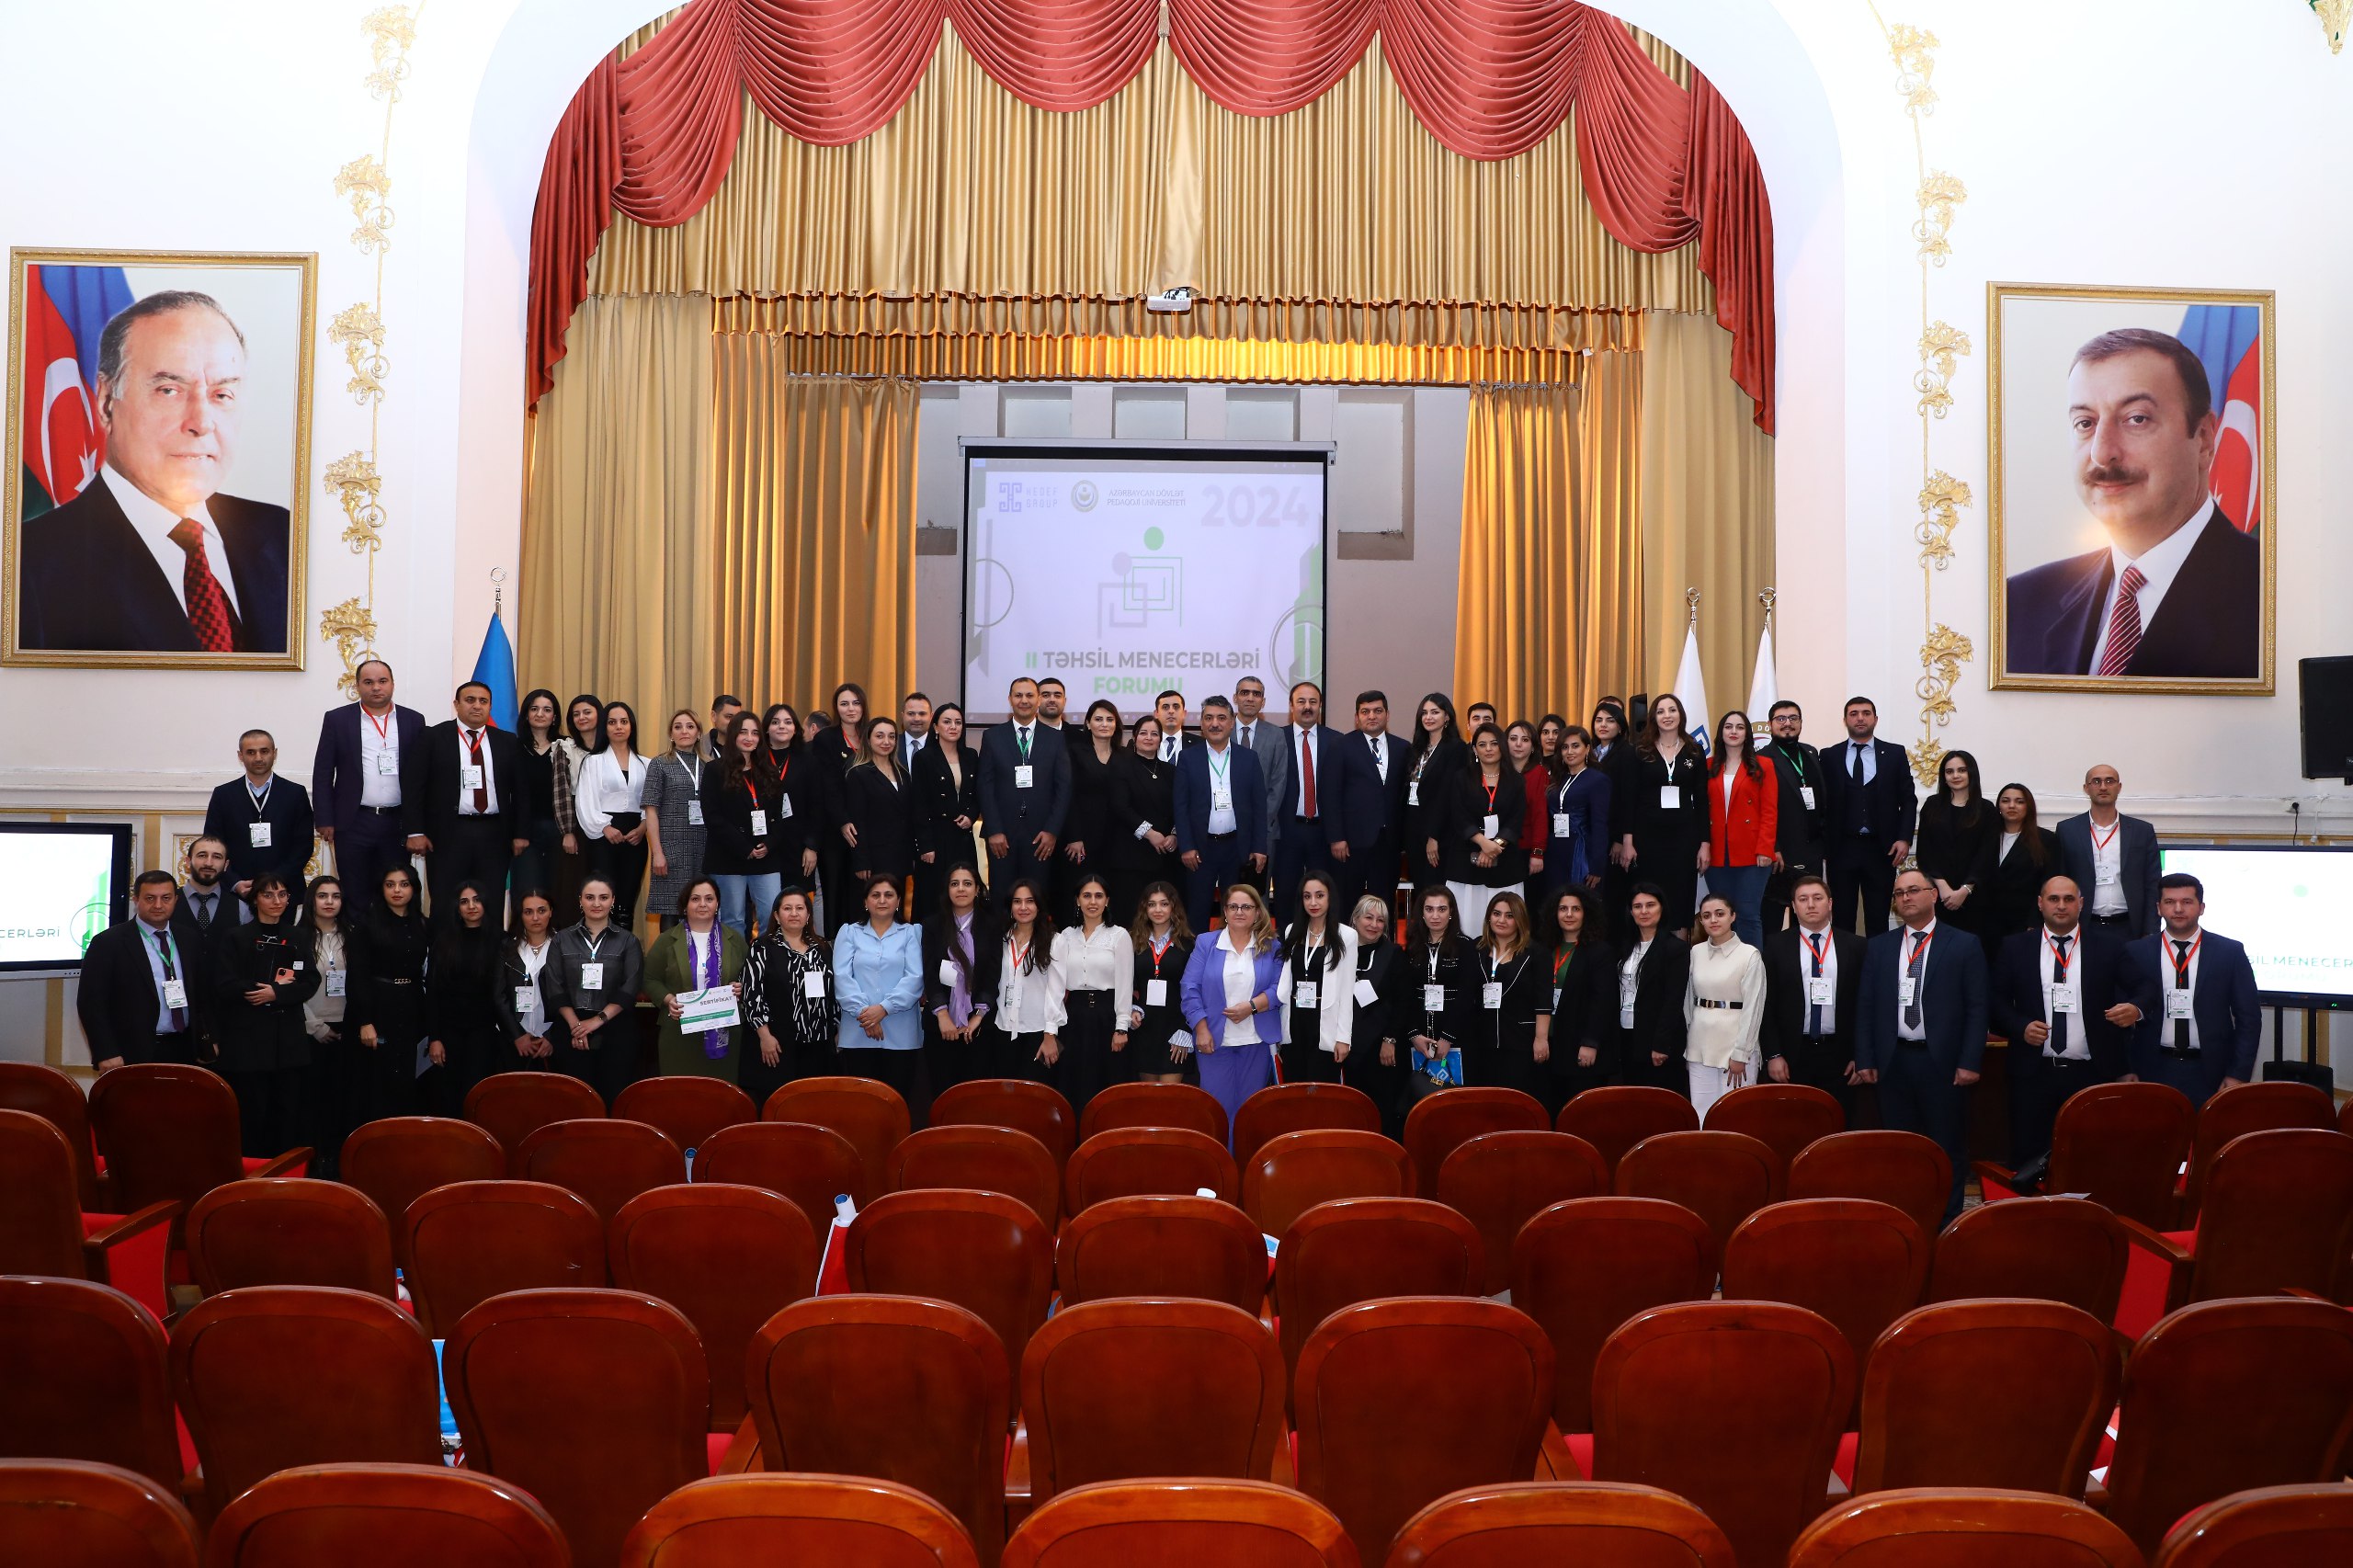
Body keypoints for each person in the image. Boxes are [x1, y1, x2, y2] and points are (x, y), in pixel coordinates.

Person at [19, 290, 290, 653]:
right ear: (106, 403)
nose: (201, 423)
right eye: (169, 390)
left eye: (222, 394)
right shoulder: (26, 567)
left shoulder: (284, 535)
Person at [2005, 327, 2261, 680]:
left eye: (2136, 419)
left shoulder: (2273, 595)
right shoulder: (2019, 604)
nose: (2102, 453)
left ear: (2203, 439)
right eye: (2085, 423)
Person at [1855, 868, 1990, 1222]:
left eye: (1913, 890)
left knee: (1947, 1148)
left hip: (1942, 1064)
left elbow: (1978, 1008)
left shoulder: (1964, 944)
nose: (1906, 898)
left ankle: (1948, 1223)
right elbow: (1866, 1006)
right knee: (1900, 1149)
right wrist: (1865, 1057)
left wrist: (1970, 1061)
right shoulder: (1879, 947)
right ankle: (1906, 1219)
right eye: (1899, 893)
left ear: (1933, 895)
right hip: (1893, 1062)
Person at [1991, 874, 2145, 1170]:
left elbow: (2145, 988)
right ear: (2040, 904)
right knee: (2028, 1160)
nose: (2061, 906)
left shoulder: (2108, 946)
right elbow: (1995, 1001)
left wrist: (2135, 1009)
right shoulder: (2015, 947)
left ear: (2081, 904)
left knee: (2090, 1159)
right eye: (2054, 899)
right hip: (2033, 1074)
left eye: (2068, 899)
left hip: (2091, 1072)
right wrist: (2020, 1027)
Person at [2123, 873, 2262, 1108]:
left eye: (2187, 902)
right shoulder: (2136, 952)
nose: (2178, 909)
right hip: (2151, 1070)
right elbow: (2119, 1018)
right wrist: (2125, 1068)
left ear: (2201, 908)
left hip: (2212, 1073)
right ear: (2158, 908)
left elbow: (2249, 1019)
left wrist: (2238, 1073)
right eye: (2170, 902)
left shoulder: (2230, 952)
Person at [210, 873, 318, 1154]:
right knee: (251, 1115)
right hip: (248, 1043)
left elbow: (310, 981)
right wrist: (259, 991)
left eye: (282, 895)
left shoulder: (298, 936)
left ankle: (284, 1171)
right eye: (268, 895)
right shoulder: (236, 936)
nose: (276, 901)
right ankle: (250, 1172)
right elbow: (224, 983)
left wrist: (277, 994)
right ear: (255, 899)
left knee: (287, 1115)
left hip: (288, 1043)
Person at [312, 658, 426, 915]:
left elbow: (421, 778)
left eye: (382, 681)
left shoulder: (413, 720)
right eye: (368, 682)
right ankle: (357, 941)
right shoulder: (338, 719)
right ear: (357, 686)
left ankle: (393, 941)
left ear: (392, 684)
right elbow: (323, 773)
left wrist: (417, 826)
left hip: (397, 822)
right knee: (355, 894)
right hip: (353, 822)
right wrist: (324, 819)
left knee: (394, 895)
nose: (376, 687)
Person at [404, 682, 529, 918]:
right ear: (457, 704)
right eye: (470, 700)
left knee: (490, 902)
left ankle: (489, 944)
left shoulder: (507, 741)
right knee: (445, 902)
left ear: (490, 707)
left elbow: (521, 791)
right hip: (448, 834)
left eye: (483, 701)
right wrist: (415, 830)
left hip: (494, 834)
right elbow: (414, 787)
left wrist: (521, 833)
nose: (477, 706)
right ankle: (443, 944)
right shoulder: (433, 737)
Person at [78, 869, 213, 1069]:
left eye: (166, 898)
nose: (158, 905)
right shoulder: (108, 943)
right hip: (132, 1052)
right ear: (136, 900)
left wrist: (208, 1040)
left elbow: (202, 995)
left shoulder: (189, 939)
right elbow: (91, 1004)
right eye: (150, 898)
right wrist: (106, 1052)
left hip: (185, 1048)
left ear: (176, 900)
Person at [1181, 882, 1283, 1140]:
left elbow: (1279, 988)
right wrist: (1201, 1028)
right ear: (1225, 911)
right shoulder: (1206, 943)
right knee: (1217, 1113)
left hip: (1257, 1042)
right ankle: (1219, 1164)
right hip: (1214, 1041)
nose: (1239, 911)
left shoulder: (1272, 946)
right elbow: (1189, 987)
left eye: (1246, 907)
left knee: (1249, 1115)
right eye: (1233, 906)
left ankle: (1246, 1165)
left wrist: (1251, 1007)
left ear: (1257, 912)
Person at [1758, 874, 1866, 1119]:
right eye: (1803, 899)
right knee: (1794, 1126)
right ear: (1794, 907)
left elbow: (1865, 1007)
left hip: (1841, 1057)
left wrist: (1861, 1055)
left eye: (1817, 898)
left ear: (1830, 903)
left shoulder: (1856, 946)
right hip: (1792, 1056)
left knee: (1839, 1125)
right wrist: (1773, 1054)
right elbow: (1767, 1004)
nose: (1811, 904)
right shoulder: (1776, 946)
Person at [540, 873, 644, 1108]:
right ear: (580, 900)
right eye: (590, 897)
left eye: (603, 897)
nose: (597, 903)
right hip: (570, 1028)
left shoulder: (628, 941)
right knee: (574, 1102)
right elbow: (554, 986)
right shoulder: (561, 940)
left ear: (613, 900)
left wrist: (596, 1022)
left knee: (613, 1099)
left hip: (615, 1028)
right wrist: (577, 1027)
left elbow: (630, 987)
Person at [1815, 696, 1916, 937]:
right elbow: (1821, 804)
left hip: (1882, 850)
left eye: (1866, 713)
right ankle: (1845, 962)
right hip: (1842, 849)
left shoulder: (1894, 754)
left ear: (1875, 719)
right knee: (1842, 918)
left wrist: (1904, 838)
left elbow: (1908, 800)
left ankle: (1877, 962)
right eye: (1854, 714)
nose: (1860, 718)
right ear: (1845, 720)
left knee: (1878, 918)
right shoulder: (1829, 756)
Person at [1171, 696, 1269, 930]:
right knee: (1197, 912)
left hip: (1237, 848)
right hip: (1199, 850)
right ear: (1202, 723)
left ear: (1232, 722)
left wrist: (1259, 847)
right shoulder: (1188, 758)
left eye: (1221, 718)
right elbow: (1180, 806)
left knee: (1237, 910)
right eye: (1209, 718)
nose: (1215, 724)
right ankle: (1198, 953)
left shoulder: (1248, 758)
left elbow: (1259, 806)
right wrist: (1186, 846)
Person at [976, 677, 1073, 913]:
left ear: (1038, 700)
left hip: (1041, 837)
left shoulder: (1055, 738)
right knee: (1002, 899)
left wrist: (1052, 831)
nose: (1024, 700)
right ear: (1010, 700)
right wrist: (994, 829)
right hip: (1002, 837)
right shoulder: (992, 737)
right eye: (1018, 695)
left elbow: (1063, 787)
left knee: (1037, 898)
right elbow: (985, 786)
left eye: (1030, 695)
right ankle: (1002, 938)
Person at [347, 863, 434, 1119]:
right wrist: (365, 1021)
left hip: (413, 1006)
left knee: (410, 1076)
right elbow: (358, 975)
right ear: (381, 889)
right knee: (376, 1080)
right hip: (377, 1006)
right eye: (390, 885)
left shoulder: (425, 925)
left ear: (414, 889)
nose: (397, 890)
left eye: (404, 884)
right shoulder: (366, 925)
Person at [830, 877, 926, 1111]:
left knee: (897, 1105)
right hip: (858, 1031)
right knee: (862, 1107)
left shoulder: (912, 933)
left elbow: (915, 978)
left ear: (898, 901)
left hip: (902, 1035)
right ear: (865, 901)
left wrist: (883, 1009)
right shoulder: (849, 932)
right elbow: (842, 978)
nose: (882, 900)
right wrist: (866, 1014)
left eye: (889, 895)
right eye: (875, 895)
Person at [741, 889, 839, 1108]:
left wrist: (837, 1028)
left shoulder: (823, 948)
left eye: (800, 908)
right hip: (777, 1044)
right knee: (779, 1108)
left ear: (808, 915)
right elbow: (751, 994)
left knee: (814, 1107)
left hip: (818, 1044)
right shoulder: (762, 947)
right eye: (787, 908)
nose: (794, 913)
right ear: (777, 915)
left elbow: (834, 992)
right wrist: (765, 1036)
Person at [645, 878, 749, 1082]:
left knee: (721, 1094)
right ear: (685, 905)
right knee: (680, 1094)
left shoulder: (735, 940)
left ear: (717, 904)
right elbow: (649, 979)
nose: (703, 904)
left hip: (726, 1033)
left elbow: (751, 979)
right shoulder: (667, 940)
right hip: (679, 1032)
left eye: (709, 899)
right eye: (695, 899)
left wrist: (741, 987)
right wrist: (668, 999)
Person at [1622, 694, 1709, 936]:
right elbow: (1629, 798)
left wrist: (1705, 843)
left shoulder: (1694, 751)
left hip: (1684, 838)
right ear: (1653, 717)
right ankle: (1649, 952)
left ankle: (1678, 955)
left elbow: (1702, 800)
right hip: (1647, 838)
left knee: (1680, 898)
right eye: (1661, 711)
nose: (1667, 716)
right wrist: (1628, 840)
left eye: (1672, 710)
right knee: (1649, 896)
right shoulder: (1640, 750)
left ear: (1680, 714)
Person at [1051, 874, 1135, 1117]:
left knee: (1106, 1083)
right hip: (1073, 1017)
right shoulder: (1065, 936)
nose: (1092, 902)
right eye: (1086, 896)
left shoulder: (1119, 935)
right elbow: (1056, 984)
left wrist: (1121, 1028)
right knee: (1073, 1082)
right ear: (1077, 900)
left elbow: (1125, 984)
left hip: (1106, 1016)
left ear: (1107, 901)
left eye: (1099, 896)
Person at [201, 729, 314, 905]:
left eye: (264, 751)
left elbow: (303, 846)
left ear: (274, 753)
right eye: (251, 752)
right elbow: (213, 844)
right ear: (240, 756)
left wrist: (275, 882)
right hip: (236, 893)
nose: (258, 758)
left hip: (283, 891)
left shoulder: (295, 793)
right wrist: (235, 882)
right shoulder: (223, 795)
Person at [1682, 892, 1768, 1119]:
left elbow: (1753, 1008)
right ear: (1701, 921)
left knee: (1737, 1116)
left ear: (1733, 916)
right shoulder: (1695, 952)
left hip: (1736, 1048)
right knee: (1701, 1114)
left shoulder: (1750, 955)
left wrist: (1741, 1053)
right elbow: (1688, 1000)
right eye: (1706, 915)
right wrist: (1690, 1037)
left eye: (1720, 914)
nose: (1713, 920)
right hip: (1699, 1045)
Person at [1434, 722, 1526, 930]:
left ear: (1502, 746)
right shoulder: (1461, 778)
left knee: (1503, 921)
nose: (1488, 749)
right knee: (1468, 922)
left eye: (1494, 743)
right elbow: (1459, 816)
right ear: (1475, 749)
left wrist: (1495, 846)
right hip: (1466, 859)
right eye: (1482, 745)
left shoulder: (1516, 780)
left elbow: (1516, 818)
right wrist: (1483, 843)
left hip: (1505, 861)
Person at [423, 881, 503, 1116]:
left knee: (479, 1094)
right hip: (448, 1032)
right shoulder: (443, 941)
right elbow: (433, 991)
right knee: (448, 1094)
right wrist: (434, 1038)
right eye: (464, 902)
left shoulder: (501, 940)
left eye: (477, 900)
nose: (471, 906)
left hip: (485, 1031)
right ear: (457, 908)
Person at [922, 864, 1001, 1099]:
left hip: (978, 1027)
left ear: (977, 889)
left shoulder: (992, 924)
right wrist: (942, 1014)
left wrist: (978, 1016)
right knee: (942, 1095)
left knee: (975, 1098)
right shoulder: (932, 925)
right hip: (940, 1025)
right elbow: (929, 973)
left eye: (967, 884)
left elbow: (993, 974)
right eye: (954, 884)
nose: (961, 889)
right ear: (947, 889)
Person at [701, 711, 782, 940]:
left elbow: (780, 816)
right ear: (733, 734)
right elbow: (712, 816)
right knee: (733, 919)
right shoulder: (715, 770)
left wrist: (769, 844)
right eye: (743, 732)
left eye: (755, 733)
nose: (749, 738)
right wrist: (744, 847)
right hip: (729, 855)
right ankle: (735, 963)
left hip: (765, 855)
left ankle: (766, 962)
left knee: (771, 916)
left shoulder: (770, 771)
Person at [2057, 763, 2161, 938]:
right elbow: (2060, 879)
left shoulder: (2142, 831)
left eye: (2109, 781)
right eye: (2096, 781)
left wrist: (2151, 931)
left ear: (2119, 787)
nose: (2103, 787)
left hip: (2130, 928)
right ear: (2086, 788)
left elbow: (2153, 883)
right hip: (2083, 927)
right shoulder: (2067, 830)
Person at [1276, 871, 1358, 1085]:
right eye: (1307, 896)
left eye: (1320, 895)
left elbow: (1347, 992)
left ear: (1330, 898)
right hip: (1294, 1021)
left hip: (1325, 1023)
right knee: (1294, 1090)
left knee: (1320, 1093)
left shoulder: (1347, 936)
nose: (1313, 902)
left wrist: (1343, 1038)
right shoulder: (1292, 931)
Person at [1705, 710, 1779, 948]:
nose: (1734, 731)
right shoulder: (1708, 766)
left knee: (1748, 915)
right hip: (1717, 853)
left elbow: (1770, 811)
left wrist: (1766, 848)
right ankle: (1726, 966)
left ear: (1747, 733)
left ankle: (1752, 967)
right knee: (1721, 915)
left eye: (1739, 727)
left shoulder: (1763, 765)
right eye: (1728, 727)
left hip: (1752, 853)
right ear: (1721, 733)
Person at [574, 700, 650, 929]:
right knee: (602, 898)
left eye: (624, 722)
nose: (618, 727)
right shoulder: (593, 761)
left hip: (636, 836)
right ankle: (600, 945)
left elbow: (651, 803)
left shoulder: (646, 764)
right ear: (604, 728)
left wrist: (643, 827)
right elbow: (585, 801)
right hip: (602, 837)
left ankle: (624, 947)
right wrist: (604, 827)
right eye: (612, 722)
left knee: (626, 901)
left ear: (631, 726)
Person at [1333, 690, 1411, 913]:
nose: (1372, 716)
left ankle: (1383, 938)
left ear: (1387, 715)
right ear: (1357, 717)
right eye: (1365, 712)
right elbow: (1331, 795)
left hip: (1389, 843)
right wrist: (1336, 837)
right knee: (1348, 904)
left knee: (1384, 904)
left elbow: (1406, 795)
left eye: (1378, 711)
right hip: (1351, 843)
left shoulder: (1403, 748)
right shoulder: (1341, 746)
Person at [1269, 683, 1343, 917]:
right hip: (1286, 831)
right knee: (1285, 893)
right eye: (1301, 701)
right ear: (1291, 706)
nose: (1307, 707)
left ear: (1320, 706)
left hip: (1323, 833)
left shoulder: (1336, 741)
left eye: (1313, 702)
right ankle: (1287, 938)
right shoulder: (1276, 738)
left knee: (1322, 894)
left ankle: (1322, 938)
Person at [1541, 886, 1616, 1118]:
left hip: (1581, 1048)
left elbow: (1603, 1002)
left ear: (1586, 913)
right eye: (1563, 908)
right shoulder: (1545, 949)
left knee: (1580, 1116)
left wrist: (1591, 1042)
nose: (1569, 914)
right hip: (1549, 1045)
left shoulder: (1600, 952)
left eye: (1576, 909)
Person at [1914, 749, 1997, 950]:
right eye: (1949, 771)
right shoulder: (1932, 805)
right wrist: (1942, 888)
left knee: (1972, 952)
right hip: (1938, 896)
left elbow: (1987, 854)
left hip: (1975, 898)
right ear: (1943, 776)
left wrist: (1965, 889)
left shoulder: (1986, 809)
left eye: (1961, 770)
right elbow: (1925, 850)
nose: (1955, 775)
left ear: (1971, 773)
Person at [1398, 883, 1475, 1100]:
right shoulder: (1412, 946)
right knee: (1421, 1098)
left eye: (1442, 909)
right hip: (1419, 1038)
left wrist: (1447, 1038)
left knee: (1456, 1101)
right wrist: (1414, 1035)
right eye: (1429, 909)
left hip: (1455, 1037)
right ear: (1421, 913)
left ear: (1451, 913)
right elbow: (1405, 995)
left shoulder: (1465, 946)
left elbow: (1467, 995)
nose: (1435, 916)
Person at [299, 876, 354, 1173]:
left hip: (347, 1028)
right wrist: (316, 1026)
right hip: (310, 1029)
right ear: (312, 900)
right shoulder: (299, 938)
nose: (330, 902)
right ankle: (314, 1160)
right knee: (312, 1099)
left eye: (336, 896)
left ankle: (337, 1159)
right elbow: (292, 989)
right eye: (323, 896)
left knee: (342, 1099)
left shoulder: (352, 936)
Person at [1468, 891, 1546, 1098]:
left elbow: (1543, 1001)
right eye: (1496, 914)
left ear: (1520, 920)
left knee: (1516, 1101)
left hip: (1520, 1041)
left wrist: (1541, 1039)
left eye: (1509, 915)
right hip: (1482, 1041)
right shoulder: (1476, 948)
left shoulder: (1536, 953)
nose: (1501, 920)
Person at [1616, 884, 1692, 1097]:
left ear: (1662, 908)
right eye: (1637, 906)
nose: (1644, 911)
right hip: (1627, 1033)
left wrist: (1661, 1044)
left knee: (1661, 1102)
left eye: (1650, 905)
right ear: (1631, 912)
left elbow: (1673, 1001)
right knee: (1632, 1100)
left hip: (1658, 1042)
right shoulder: (1625, 946)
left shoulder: (1675, 948)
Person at [1758, 700, 1826, 938]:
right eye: (1781, 719)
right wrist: (1772, 847)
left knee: (1809, 918)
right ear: (1770, 724)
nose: (1787, 723)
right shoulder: (1761, 759)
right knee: (1772, 921)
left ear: (1800, 722)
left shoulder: (1811, 753)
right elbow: (1760, 810)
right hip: (1780, 853)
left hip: (1812, 850)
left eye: (1793, 718)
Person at [987, 879, 1065, 1085]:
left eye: (1030, 901)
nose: (1023, 907)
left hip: (1038, 1032)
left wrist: (1050, 1035)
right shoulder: (1001, 939)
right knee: (1006, 1096)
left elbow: (1056, 991)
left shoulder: (1055, 940)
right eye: (1017, 901)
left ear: (1039, 905)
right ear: (1010, 906)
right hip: (1003, 1028)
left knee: (1034, 1097)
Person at [1108, 715, 1182, 928]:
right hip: (1132, 855)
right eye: (1143, 733)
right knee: (1131, 915)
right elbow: (1120, 807)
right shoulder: (1121, 766)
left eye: (1154, 734)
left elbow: (1180, 807)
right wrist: (1150, 834)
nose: (1149, 738)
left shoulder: (1170, 771)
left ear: (1160, 739)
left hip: (1165, 856)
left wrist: (1174, 835)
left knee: (1163, 915)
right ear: (1135, 737)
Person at [641, 710, 710, 933]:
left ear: (699, 733)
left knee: (701, 907)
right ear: (671, 734)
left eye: (690, 726)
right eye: (678, 727)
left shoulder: (709, 765)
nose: (684, 731)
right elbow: (651, 810)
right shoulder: (659, 764)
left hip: (703, 846)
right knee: (671, 908)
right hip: (671, 847)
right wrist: (657, 853)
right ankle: (669, 956)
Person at [1057, 700, 1125, 925]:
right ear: (1088, 723)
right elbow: (1068, 796)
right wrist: (1074, 836)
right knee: (1079, 891)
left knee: (1111, 893)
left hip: (1116, 838)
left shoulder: (1125, 755)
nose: (1104, 724)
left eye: (1109, 719)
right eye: (1098, 719)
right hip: (1082, 839)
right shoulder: (1075, 752)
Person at [913, 701, 981, 921]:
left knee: (963, 894)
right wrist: (925, 845)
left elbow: (978, 794)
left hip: (963, 837)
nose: (953, 727)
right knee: (934, 896)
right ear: (936, 727)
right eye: (947, 722)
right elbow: (919, 803)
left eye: (958, 722)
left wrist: (971, 815)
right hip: (935, 839)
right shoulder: (924, 758)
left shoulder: (971, 755)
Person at [1346, 894, 1408, 1136]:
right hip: (1347, 1047)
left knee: (1383, 1111)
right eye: (1368, 917)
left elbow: (1403, 1003)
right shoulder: (1340, 952)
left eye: (1380, 920)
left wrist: (1390, 1039)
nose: (1374, 925)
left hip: (1382, 1049)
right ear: (1355, 919)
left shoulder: (1394, 954)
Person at [1537, 725, 1611, 916]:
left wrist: (1597, 866)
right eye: (1565, 747)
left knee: (1580, 906)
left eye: (1575, 746)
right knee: (1555, 906)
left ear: (1587, 749)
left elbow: (1600, 825)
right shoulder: (1558, 779)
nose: (1569, 751)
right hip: (1555, 851)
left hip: (1581, 852)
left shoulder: (1597, 780)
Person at [1127, 883, 1197, 1086]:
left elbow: (1196, 991)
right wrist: (1132, 1008)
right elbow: (1125, 984)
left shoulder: (1190, 944)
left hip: (1176, 1030)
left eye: (1164, 904)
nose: (1158, 910)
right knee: (1147, 1098)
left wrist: (1186, 1029)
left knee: (1168, 1098)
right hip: (1143, 1029)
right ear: (1144, 908)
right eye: (1152, 904)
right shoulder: (1132, 942)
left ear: (1174, 907)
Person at [810, 684, 866, 931]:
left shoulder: (871, 735)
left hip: (866, 828)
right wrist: (842, 821)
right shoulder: (826, 738)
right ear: (836, 708)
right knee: (834, 892)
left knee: (862, 894)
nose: (850, 709)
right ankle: (833, 945)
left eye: (856, 703)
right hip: (834, 830)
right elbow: (827, 786)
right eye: (844, 704)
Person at [1984, 783, 2065, 953]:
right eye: (2006, 801)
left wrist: (2035, 922)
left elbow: (2049, 883)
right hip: (1986, 923)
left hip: (2025, 923)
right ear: (1999, 806)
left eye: (2019, 801)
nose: (2012, 805)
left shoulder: (2045, 839)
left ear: (2028, 807)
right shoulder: (1986, 836)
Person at [843, 716, 917, 900]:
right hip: (873, 858)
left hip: (900, 855)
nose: (886, 741)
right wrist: (861, 860)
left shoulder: (902, 773)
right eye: (880, 736)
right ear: (868, 740)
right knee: (873, 907)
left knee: (896, 907)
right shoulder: (858, 773)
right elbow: (857, 821)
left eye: (891, 736)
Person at [490, 889, 561, 1077]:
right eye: (528, 912)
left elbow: (571, 997)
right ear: (520, 915)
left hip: (552, 1037)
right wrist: (518, 1036)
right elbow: (499, 996)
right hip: (514, 1038)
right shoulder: (507, 947)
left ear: (551, 912)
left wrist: (551, 1037)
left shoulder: (563, 946)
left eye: (541, 910)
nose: (535, 917)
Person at [755, 703, 823, 893]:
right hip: (763, 844)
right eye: (775, 722)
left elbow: (817, 806)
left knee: (795, 901)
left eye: (788, 722)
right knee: (766, 903)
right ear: (766, 728)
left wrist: (812, 846)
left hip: (797, 845)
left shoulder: (808, 760)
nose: (782, 726)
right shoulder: (755, 759)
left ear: (795, 728)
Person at [548, 692, 604, 918]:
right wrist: (568, 832)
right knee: (574, 886)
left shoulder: (612, 747)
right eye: (576, 714)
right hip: (577, 824)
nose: (582, 718)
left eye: (587, 712)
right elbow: (560, 792)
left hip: (608, 824)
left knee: (604, 883)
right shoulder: (565, 748)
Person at [1590, 699, 1642, 941]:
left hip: (1614, 839)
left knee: (1613, 901)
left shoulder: (1628, 753)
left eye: (1610, 721)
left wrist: (1621, 839)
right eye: (1599, 720)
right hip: (1592, 834)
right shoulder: (1589, 752)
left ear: (1620, 726)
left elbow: (1628, 798)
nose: (1603, 725)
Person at [1402, 695, 1463, 893]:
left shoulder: (1456, 748)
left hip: (1438, 831)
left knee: (1435, 889)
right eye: (1424, 713)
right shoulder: (1417, 748)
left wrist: (1433, 836)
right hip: (1413, 827)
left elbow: (1447, 795)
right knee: (1420, 888)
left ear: (1447, 717)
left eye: (1435, 712)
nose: (1428, 717)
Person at [510, 690, 566, 902]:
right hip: (525, 833)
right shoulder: (512, 747)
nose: (540, 714)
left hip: (560, 832)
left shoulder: (567, 747)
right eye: (534, 709)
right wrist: (517, 833)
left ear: (555, 717)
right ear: (526, 714)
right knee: (527, 892)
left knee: (558, 892)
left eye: (547, 709)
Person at [1505, 721, 1552, 898]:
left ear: (1533, 747)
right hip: (1499, 848)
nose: (1518, 744)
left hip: (1526, 849)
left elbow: (1540, 816)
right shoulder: (1498, 771)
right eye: (1513, 739)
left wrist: (1537, 852)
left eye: (1525, 740)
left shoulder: (1538, 773)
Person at [176, 834, 244, 938]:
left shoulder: (241, 908)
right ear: (188, 862)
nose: (208, 863)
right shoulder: (167, 902)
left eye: (217, 857)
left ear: (226, 865)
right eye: (202, 855)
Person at [897, 693, 933, 773]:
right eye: (911, 714)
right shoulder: (892, 745)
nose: (917, 719)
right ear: (902, 716)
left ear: (931, 717)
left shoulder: (939, 746)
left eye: (922, 714)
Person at [702, 695, 745, 762]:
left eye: (737, 718)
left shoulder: (745, 746)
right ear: (713, 716)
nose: (734, 722)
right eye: (729, 717)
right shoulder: (699, 747)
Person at [1153, 690, 1191, 761]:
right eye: (1165, 707)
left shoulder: (1199, 744)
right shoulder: (1145, 742)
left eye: (1176, 707)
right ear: (1156, 714)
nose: (1171, 711)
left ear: (1184, 713)